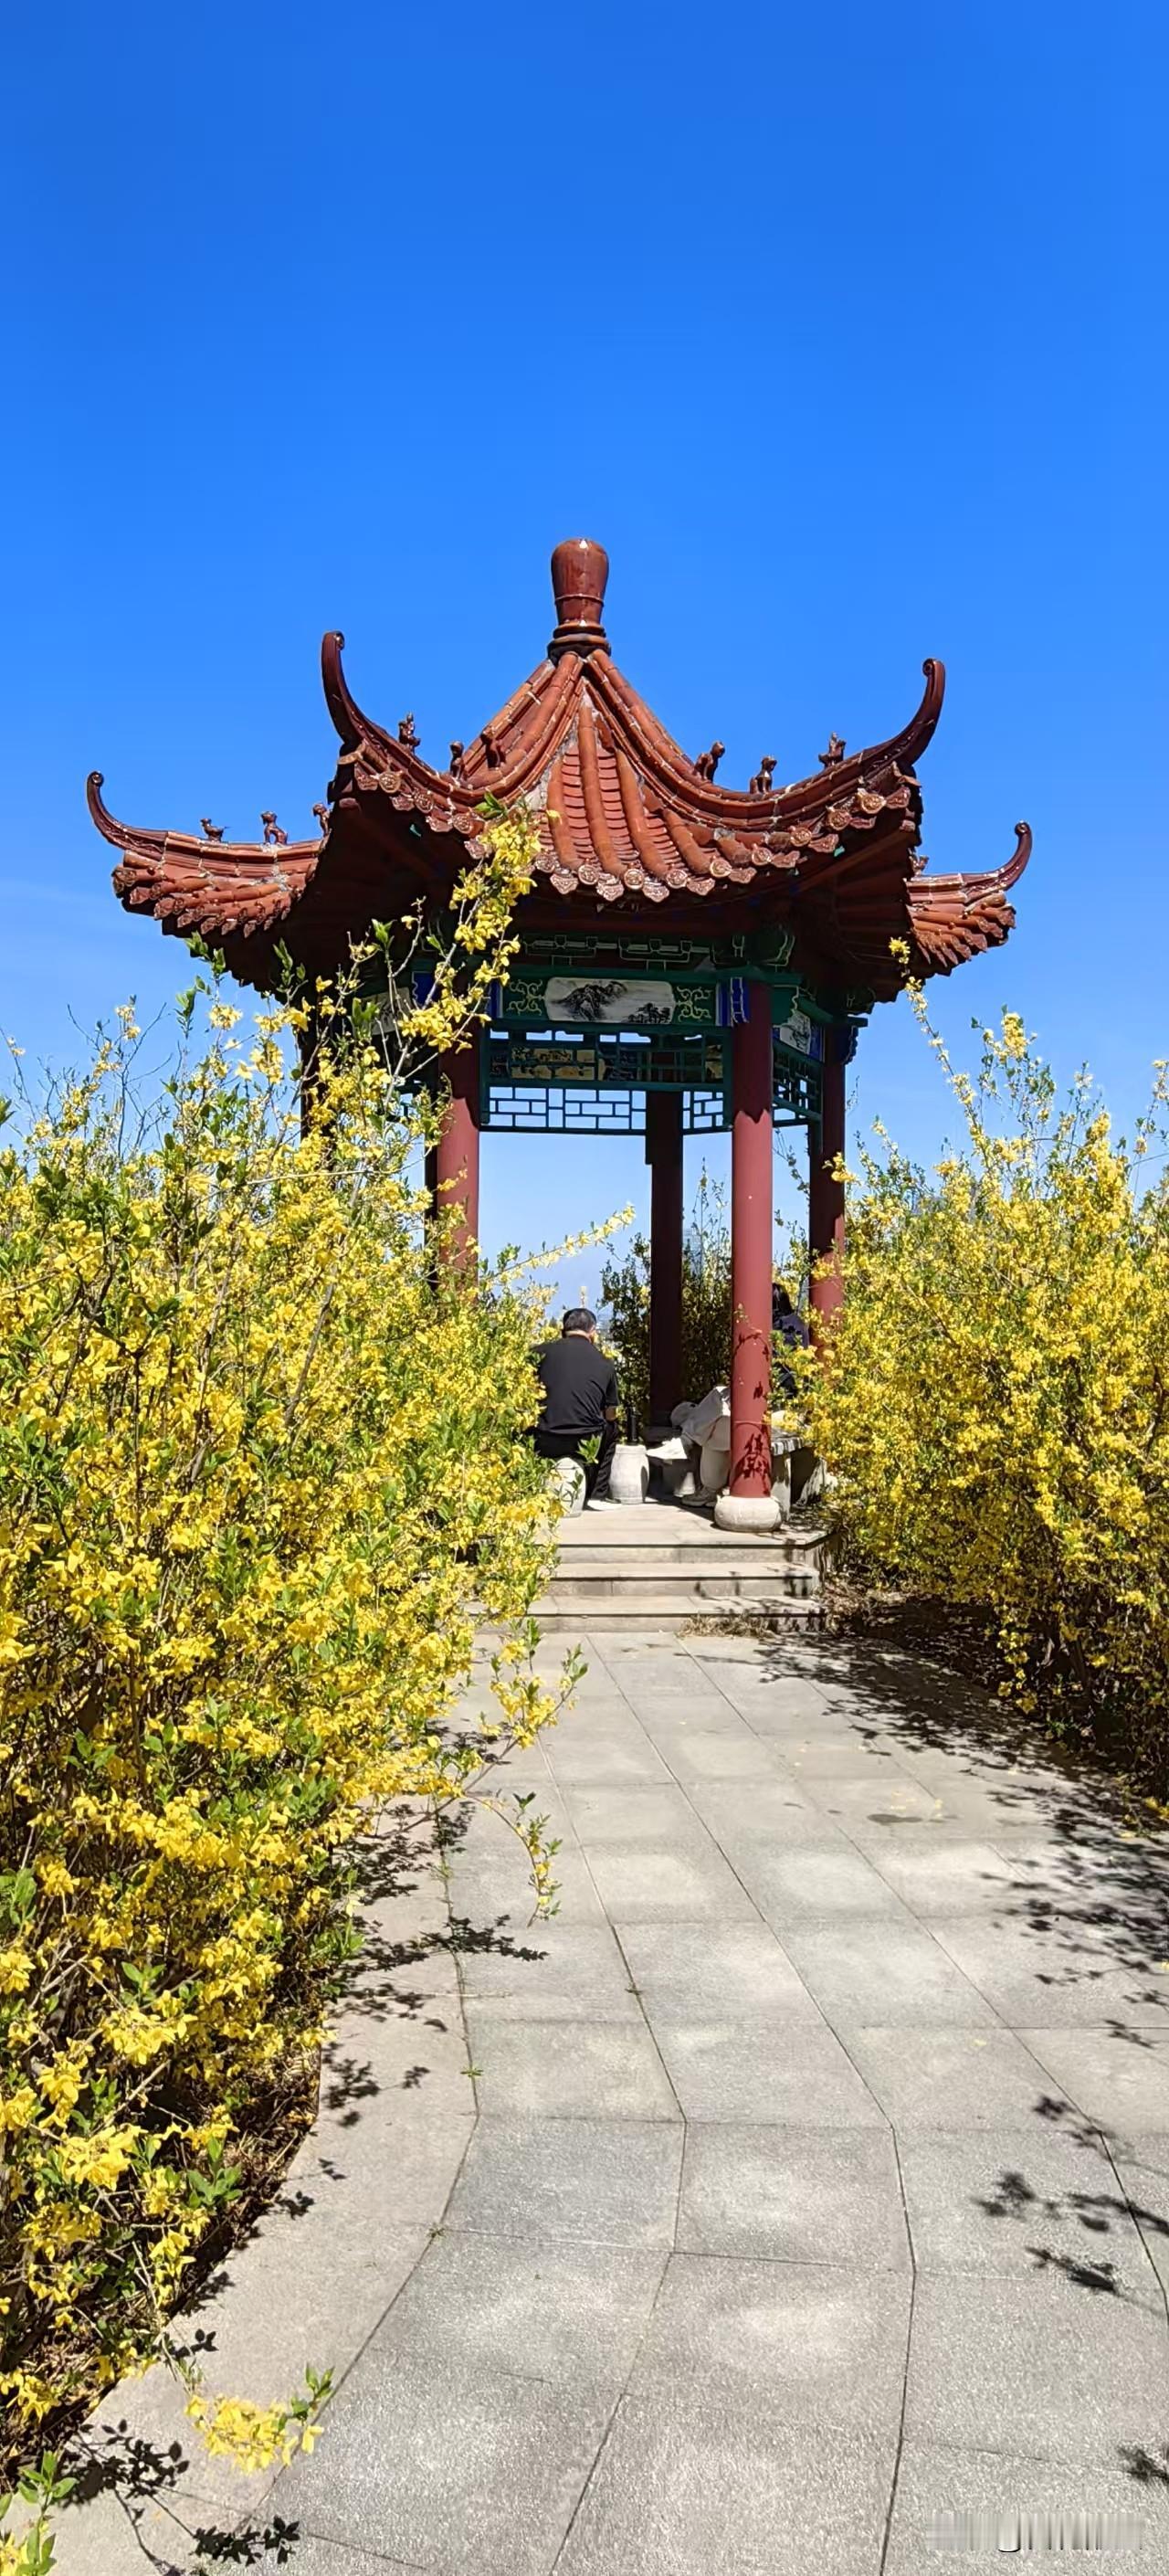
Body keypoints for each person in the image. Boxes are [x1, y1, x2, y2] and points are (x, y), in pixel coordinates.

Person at [533, 1308, 619, 1507]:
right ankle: (597, 1495)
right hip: (585, 1442)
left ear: (563, 1330)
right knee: (613, 1430)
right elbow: (610, 1414)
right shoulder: (605, 1362)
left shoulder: (539, 1353)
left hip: (544, 1438)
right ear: (593, 1332)